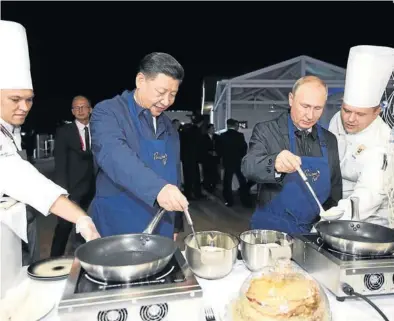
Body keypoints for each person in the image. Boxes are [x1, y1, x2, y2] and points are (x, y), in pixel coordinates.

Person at [0, 20, 100, 305]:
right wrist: (78, 215)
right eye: (15, 99)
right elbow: (22, 178)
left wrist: (82, 218)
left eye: (29, 100)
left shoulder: (10, 128)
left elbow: (25, 177)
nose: (24, 108)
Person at [89, 52, 189, 240]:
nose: (166, 101)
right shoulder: (108, 112)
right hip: (119, 221)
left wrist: (176, 223)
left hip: (161, 222)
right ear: (140, 80)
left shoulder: (169, 127)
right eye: (161, 93)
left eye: (173, 94)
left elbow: (175, 173)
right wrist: (158, 189)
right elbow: (114, 155)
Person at [242, 76, 342, 234]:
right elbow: (249, 166)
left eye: (318, 108)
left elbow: (335, 187)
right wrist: (275, 163)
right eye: (305, 106)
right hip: (271, 230)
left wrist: (330, 220)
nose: (310, 115)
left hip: (313, 232)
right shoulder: (267, 131)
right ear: (291, 99)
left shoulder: (329, 140)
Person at [328, 45, 394, 226]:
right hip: (336, 203)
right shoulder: (336, 120)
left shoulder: (383, 143)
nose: (350, 119)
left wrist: (335, 216)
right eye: (346, 110)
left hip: (371, 221)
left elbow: (368, 195)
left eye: (360, 114)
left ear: (377, 112)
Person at [50, 95, 96, 257]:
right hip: (73, 189)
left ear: (90, 109)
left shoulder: (98, 129)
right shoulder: (64, 132)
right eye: (76, 107)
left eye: (83, 106)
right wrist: (63, 192)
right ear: (72, 111)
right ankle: (54, 259)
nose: (80, 110)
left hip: (95, 189)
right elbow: (60, 164)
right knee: (64, 227)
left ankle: (87, 258)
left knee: (90, 226)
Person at [217, 119, 250, 207]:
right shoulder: (240, 135)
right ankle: (245, 201)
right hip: (238, 161)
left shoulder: (223, 136)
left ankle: (229, 201)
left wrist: (221, 159)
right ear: (235, 125)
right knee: (242, 181)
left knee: (227, 182)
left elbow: (219, 150)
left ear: (227, 125)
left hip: (227, 161)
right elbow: (244, 148)